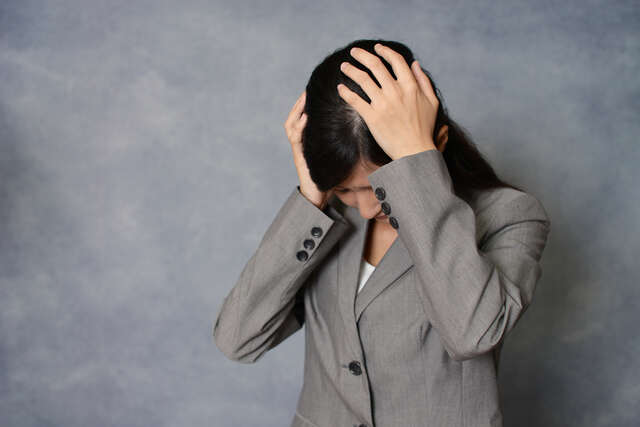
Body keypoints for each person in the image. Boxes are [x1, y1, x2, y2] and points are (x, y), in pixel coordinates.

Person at [213, 38, 551, 427]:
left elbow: (473, 333)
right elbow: (238, 339)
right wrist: (311, 198)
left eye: (377, 187)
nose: (367, 209)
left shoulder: (509, 215)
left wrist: (417, 165)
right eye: (345, 190)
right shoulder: (323, 221)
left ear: (437, 143)